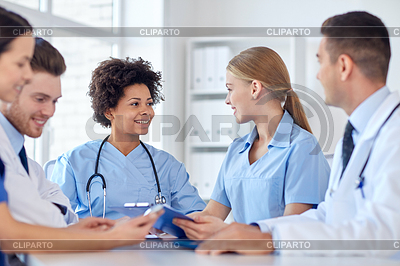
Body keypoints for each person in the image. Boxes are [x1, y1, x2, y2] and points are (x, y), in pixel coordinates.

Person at [196, 11, 400, 257]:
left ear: (343, 66)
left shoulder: (393, 133)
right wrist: (258, 231)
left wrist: (270, 239)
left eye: (320, 61)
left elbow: (384, 233)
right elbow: (327, 216)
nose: (318, 74)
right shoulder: (356, 134)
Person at [0, 7, 162, 266]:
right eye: (20, 64)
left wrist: (81, 231)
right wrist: (110, 238)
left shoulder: (23, 159)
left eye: (55, 101)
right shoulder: (72, 160)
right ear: (109, 111)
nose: (50, 111)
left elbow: (54, 216)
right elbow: (8, 233)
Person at [174, 46, 330, 239]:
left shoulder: (303, 147)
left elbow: (293, 226)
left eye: (230, 90)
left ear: (255, 88)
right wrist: (171, 223)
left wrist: (231, 233)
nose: (227, 100)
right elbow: (211, 215)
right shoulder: (236, 150)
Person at [50, 57, 206, 219]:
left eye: (149, 103)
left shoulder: (168, 165)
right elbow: (55, 219)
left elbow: (196, 215)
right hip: (98, 244)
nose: (147, 111)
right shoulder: (75, 161)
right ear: (109, 111)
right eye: (135, 104)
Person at [0, 37, 78, 227]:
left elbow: (67, 214)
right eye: (40, 99)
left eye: (54, 101)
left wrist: (49, 211)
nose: (50, 112)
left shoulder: (26, 162)